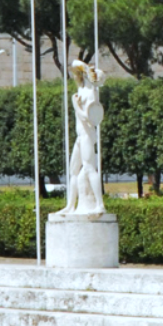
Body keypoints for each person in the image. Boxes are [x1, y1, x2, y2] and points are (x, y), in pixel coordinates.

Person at [63, 61, 105, 216]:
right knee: (73, 170)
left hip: (87, 134)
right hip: (80, 136)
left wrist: (75, 106)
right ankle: (70, 205)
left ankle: (100, 204)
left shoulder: (92, 93)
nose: (75, 76)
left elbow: (89, 117)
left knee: (89, 168)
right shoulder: (81, 90)